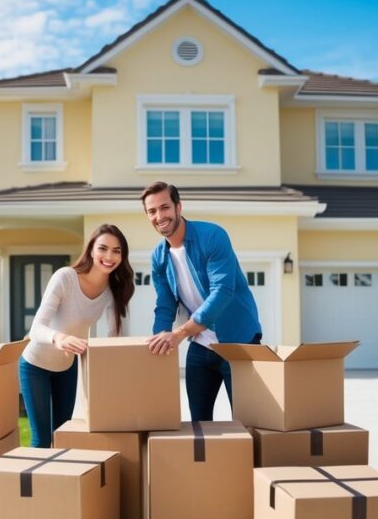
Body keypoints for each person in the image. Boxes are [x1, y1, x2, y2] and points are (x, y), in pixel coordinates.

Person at [142, 181, 262, 421]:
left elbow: (222, 291)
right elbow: (165, 304)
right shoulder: (158, 257)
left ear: (178, 207)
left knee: (248, 422)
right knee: (199, 423)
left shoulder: (212, 236)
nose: (159, 216)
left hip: (239, 342)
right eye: (152, 211)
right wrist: (159, 341)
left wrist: (179, 334)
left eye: (164, 207)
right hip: (200, 345)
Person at [19, 224, 134, 448]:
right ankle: (35, 483)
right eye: (103, 248)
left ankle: (62, 482)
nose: (109, 256)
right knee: (41, 439)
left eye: (116, 251)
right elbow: (36, 328)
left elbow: (115, 339)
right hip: (35, 365)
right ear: (91, 250)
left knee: (63, 436)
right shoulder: (65, 278)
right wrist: (60, 338)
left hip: (67, 367)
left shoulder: (113, 292)